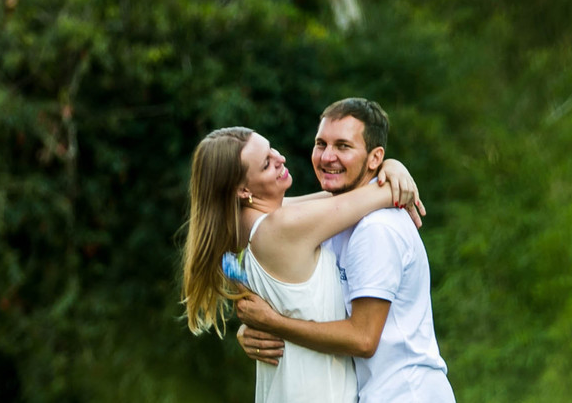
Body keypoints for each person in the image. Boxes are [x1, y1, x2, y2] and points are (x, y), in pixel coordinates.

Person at [180, 125, 423, 403]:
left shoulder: (239, 233)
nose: (280, 158)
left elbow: (340, 196)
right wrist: (392, 169)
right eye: (267, 164)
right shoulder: (282, 227)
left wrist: (388, 164)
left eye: (272, 149)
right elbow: (385, 192)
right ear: (243, 189)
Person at [236, 98, 455, 403]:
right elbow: (266, 215)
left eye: (343, 146)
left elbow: (363, 339)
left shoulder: (375, 229)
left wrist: (273, 323)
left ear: (374, 157)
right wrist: (250, 330)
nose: (327, 157)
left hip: (406, 392)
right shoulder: (335, 217)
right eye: (321, 143)